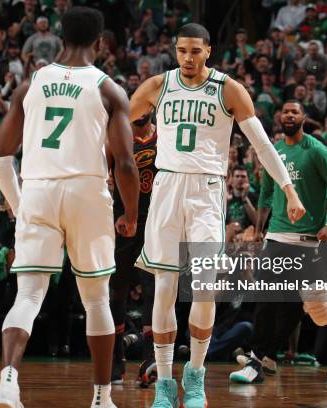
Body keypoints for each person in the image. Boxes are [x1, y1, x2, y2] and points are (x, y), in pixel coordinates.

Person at [130, 24, 304, 408]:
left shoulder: (228, 89)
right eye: (181, 51)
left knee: (205, 287)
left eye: (195, 51)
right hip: (167, 187)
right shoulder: (157, 86)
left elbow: (261, 144)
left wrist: (289, 189)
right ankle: (164, 383)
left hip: (207, 190)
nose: (187, 58)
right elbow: (118, 126)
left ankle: (195, 378)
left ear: (208, 50)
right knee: (164, 288)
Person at [0, 7, 139, 408]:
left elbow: (0, 158)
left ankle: (7, 383)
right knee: (96, 300)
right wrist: (131, 214)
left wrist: (20, 206)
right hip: (86, 191)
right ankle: (101, 397)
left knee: (28, 297)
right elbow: (125, 163)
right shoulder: (109, 90)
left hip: (38, 188)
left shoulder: (31, 83)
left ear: (58, 37)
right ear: (102, 43)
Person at [229, 101, 327, 385]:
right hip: (277, 237)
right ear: (278, 117)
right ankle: (256, 361)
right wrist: (259, 231)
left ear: (303, 118)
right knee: (265, 300)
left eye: (295, 112)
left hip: (310, 241)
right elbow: (267, 194)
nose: (289, 115)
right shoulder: (275, 151)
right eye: (285, 111)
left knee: (319, 307)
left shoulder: (317, 150)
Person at [108, 112, 158, 385]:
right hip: (122, 224)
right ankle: (116, 361)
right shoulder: (116, 139)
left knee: (154, 291)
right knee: (116, 293)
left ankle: (151, 360)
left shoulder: (164, 138)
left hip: (153, 223)